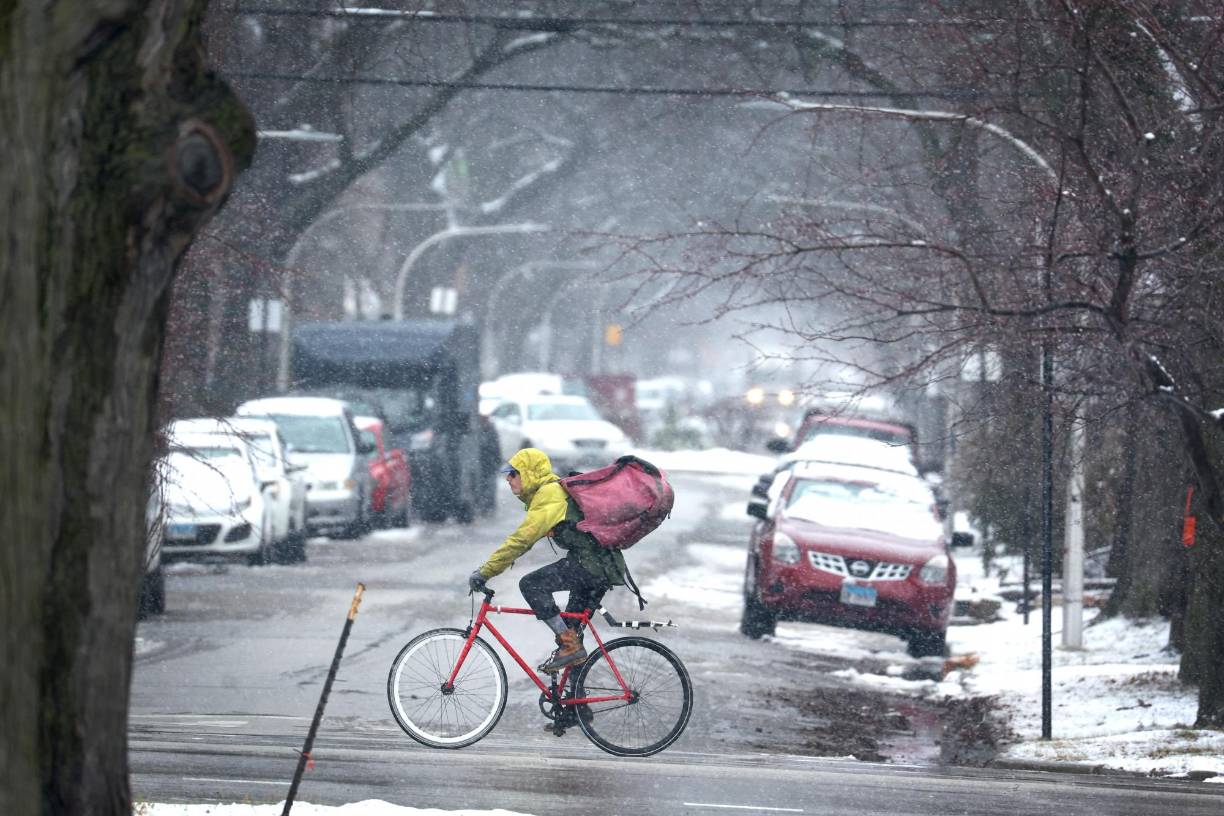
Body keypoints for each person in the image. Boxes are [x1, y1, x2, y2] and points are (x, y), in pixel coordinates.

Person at [469, 447, 627, 673]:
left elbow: (520, 540)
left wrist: (485, 572)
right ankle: (575, 706)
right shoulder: (549, 493)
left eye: (513, 473)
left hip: (592, 566)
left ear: (529, 473)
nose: (508, 478)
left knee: (531, 584)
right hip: (599, 566)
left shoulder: (549, 495)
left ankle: (569, 645)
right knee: (572, 646)